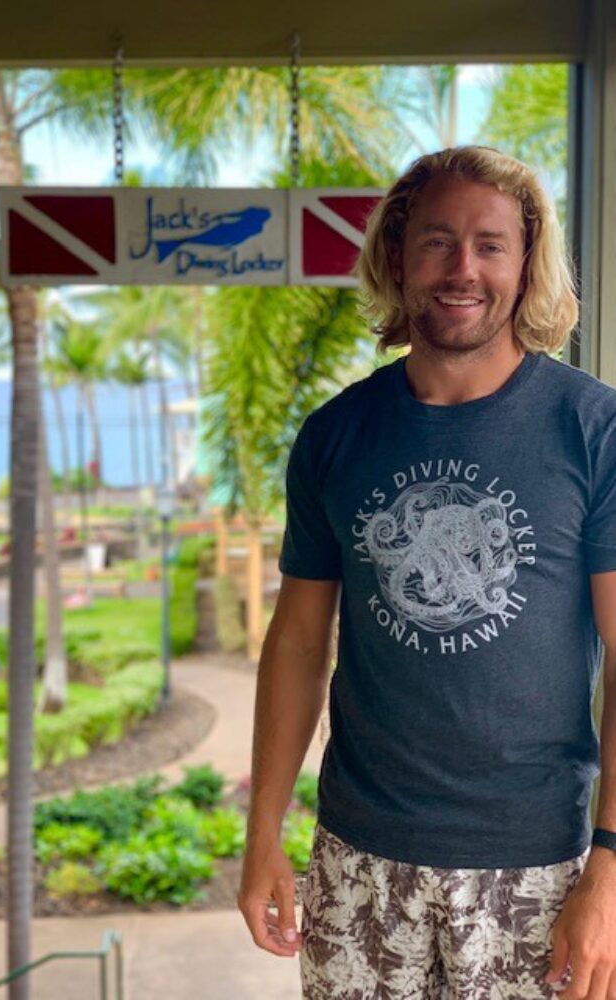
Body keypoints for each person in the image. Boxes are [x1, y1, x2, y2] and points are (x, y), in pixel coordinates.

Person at [237, 145, 616, 1000]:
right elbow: (298, 642)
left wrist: (612, 866)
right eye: (438, 241)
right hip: (358, 862)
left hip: (539, 870)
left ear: (526, 264)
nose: (463, 269)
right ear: (398, 255)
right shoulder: (335, 435)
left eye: (490, 245)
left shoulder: (593, 430)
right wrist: (263, 833)